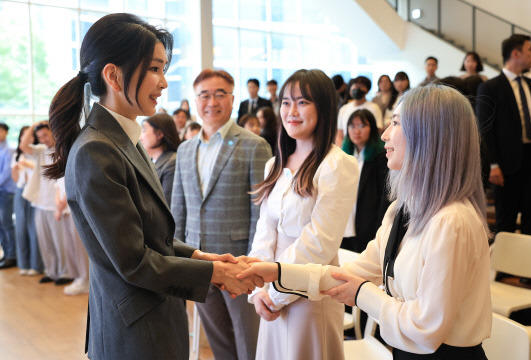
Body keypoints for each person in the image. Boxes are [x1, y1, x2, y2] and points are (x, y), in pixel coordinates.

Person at [43, 14, 260, 360]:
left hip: (153, 315)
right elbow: (133, 261)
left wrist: (199, 256)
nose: (163, 82)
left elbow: (150, 236)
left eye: (163, 69)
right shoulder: (96, 150)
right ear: (113, 75)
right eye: (154, 69)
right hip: (134, 331)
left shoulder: (125, 139)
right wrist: (214, 273)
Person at [241, 85, 492, 359]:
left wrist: (362, 294)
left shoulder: (452, 221)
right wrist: (277, 273)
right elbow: (352, 272)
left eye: (395, 123)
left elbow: (424, 328)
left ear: (430, 136)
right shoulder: (402, 210)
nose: (384, 134)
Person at [247, 69, 359, 360]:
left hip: (310, 293)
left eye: (302, 102)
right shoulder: (275, 163)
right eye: (285, 102)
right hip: (271, 290)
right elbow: (264, 231)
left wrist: (275, 293)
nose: (291, 111)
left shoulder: (337, 164)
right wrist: (257, 288)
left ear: (323, 108)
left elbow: (319, 244)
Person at [171, 69, 272, 360]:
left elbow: (261, 214)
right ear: (195, 100)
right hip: (198, 261)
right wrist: (179, 258)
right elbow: (178, 206)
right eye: (204, 95)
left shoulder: (254, 145)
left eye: (219, 94)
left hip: (239, 262)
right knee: (218, 340)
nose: (211, 102)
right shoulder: (186, 149)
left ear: (232, 99)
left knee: (248, 340)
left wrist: (254, 262)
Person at [477, 34, 531, 236]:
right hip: (506, 165)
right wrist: (493, 165)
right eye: (530, 49)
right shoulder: (490, 88)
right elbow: (485, 129)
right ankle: (505, 268)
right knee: (506, 220)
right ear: (516, 53)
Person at [20, 122, 72, 285]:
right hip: (40, 203)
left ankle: (66, 272)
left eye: (46, 135)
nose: (43, 139)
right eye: (40, 137)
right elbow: (23, 145)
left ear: (53, 133)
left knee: (60, 242)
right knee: (45, 242)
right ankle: (51, 272)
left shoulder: (64, 150)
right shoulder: (40, 151)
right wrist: (33, 126)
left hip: (56, 205)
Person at [340, 109, 389, 253]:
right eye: (352, 126)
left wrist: (379, 230)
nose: (356, 131)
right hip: (345, 222)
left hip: (368, 223)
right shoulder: (343, 156)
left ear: (372, 128)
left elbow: (384, 198)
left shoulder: (381, 157)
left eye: (362, 126)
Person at [11, 126, 43, 275]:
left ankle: (36, 265)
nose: (26, 138)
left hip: (35, 193)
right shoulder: (17, 155)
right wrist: (16, 169)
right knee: (20, 228)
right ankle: (23, 264)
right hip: (20, 192)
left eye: (29, 135)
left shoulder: (38, 152)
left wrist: (28, 165)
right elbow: (16, 179)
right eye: (23, 135)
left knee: (34, 230)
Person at [140, 113, 181, 206]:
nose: (140, 137)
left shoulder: (172, 162)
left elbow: (167, 203)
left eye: (144, 130)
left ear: (159, 134)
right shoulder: (150, 160)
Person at [336, 76, 383, 145]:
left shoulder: (374, 108)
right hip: (347, 147)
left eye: (361, 86)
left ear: (367, 90)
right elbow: (340, 134)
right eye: (355, 86)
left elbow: (378, 131)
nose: (357, 89)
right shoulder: (344, 108)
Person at [0, 123, 17, 269]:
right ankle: (6, 254)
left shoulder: (9, 150)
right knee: (1, 225)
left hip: (6, 192)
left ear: (6, 132)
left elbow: (6, 174)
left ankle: (12, 256)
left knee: (7, 224)